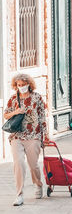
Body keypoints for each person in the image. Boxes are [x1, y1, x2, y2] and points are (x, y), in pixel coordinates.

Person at [3, 73, 48, 206]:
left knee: (33, 165)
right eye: (19, 85)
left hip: (33, 135)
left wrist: (44, 135)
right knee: (18, 164)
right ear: (15, 86)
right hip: (17, 135)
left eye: (23, 85)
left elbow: (42, 118)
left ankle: (38, 184)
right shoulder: (13, 99)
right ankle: (19, 194)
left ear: (29, 84)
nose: (21, 87)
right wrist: (16, 112)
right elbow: (6, 114)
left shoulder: (37, 97)